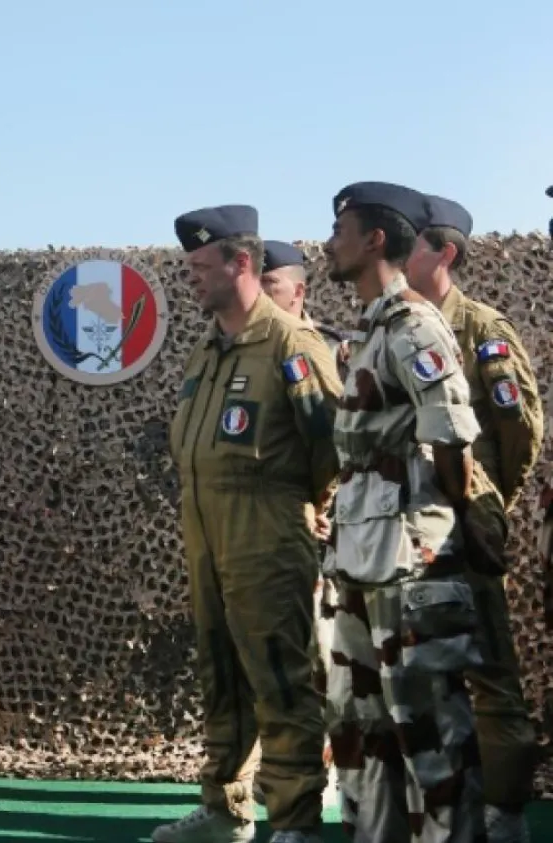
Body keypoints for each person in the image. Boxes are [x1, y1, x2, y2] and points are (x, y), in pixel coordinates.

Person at [158, 206, 339, 843]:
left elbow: (333, 449)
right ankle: (225, 810)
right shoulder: (206, 350)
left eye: (201, 268)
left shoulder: (291, 344)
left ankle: (294, 822)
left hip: (267, 536)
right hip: (208, 536)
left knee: (281, 681)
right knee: (222, 674)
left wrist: (305, 510)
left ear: (242, 264)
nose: (191, 280)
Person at [321, 181, 486, 843]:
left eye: (340, 230)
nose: (329, 243)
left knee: (431, 731)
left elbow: (452, 437)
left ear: (375, 240)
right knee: (364, 732)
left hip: (410, 558)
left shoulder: (414, 323)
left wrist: (444, 528)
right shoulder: (370, 328)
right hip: (361, 558)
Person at [402, 194, 541, 843]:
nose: (400, 258)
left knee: (489, 671)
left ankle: (505, 809)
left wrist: (488, 504)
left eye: (413, 246)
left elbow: (519, 429)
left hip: (466, 521)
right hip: (408, 531)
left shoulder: (482, 328)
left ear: (445, 252)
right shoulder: (396, 328)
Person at [249, 238, 343, 810]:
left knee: (323, 658)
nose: (260, 295)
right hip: (266, 536)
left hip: (324, 536)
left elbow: (337, 444)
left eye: (271, 286)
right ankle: (276, 774)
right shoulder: (240, 349)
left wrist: (324, 509)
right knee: (271, 659)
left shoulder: (331, 348)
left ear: (298, 290)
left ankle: (323, 769)